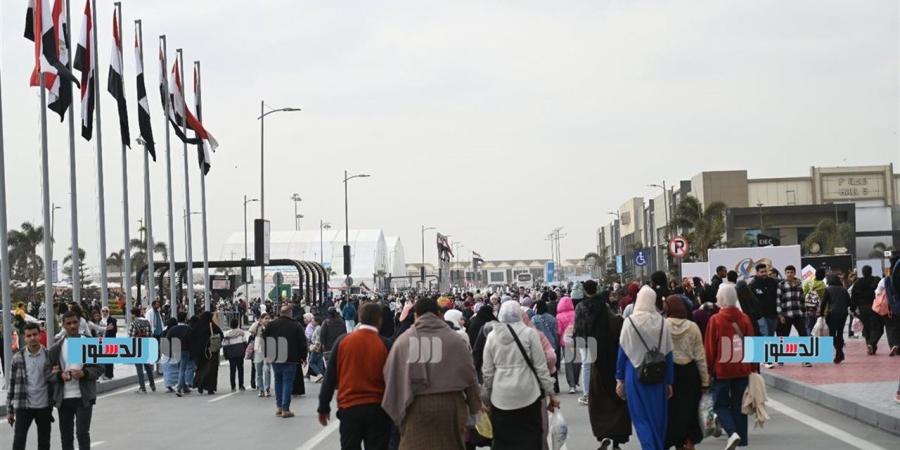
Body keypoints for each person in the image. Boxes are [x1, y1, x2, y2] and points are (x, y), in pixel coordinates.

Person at [382, 297, 482, 450]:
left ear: (416, 316)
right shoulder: (455, 340)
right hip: (451, 406)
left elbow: (392, 376)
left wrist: (395, 409)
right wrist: (475, 406)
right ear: (439, 315)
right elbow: (470, 375)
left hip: (415, 407)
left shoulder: (404, 341)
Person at [482, 301, 559, 450]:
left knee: (504, 439)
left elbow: (487, 372)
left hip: (501, 397)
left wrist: (487, 396)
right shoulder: (530, 334)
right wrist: (551, 392)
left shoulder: (492, 336)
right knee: (530, 437)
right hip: (528, 393)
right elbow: (540, 367)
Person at [318, 303, 392, 449]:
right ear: (379, 320)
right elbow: (394, 380)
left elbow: (330, 377)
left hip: (349, 408)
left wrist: (323, 407)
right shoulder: (386, 344)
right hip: (377, 408)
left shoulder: (342, 341)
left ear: (359, 317)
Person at [615, 286, 674, 450]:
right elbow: (668, 353)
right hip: (659, 375)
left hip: (634, 374)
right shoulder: (662, 322)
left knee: (641, 418)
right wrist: (669, 381)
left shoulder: (630, 322)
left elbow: (623, 351)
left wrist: (619, 378)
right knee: (658, 417)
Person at [580, 282, 631, 450]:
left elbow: (585, 342)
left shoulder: (594, 326)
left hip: (599, 370)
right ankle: (617, 441)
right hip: (617, 368)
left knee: (600, 406)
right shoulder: (618, 322)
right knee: (619, 405)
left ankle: (604, 436)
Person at [704, 284, 755, 449]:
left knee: (720, 404)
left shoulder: (715, 320)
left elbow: (710, 348)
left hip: (722, 370)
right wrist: (752, 368)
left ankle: (732, 433)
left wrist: (709, 370)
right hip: (742, 368)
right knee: (739, 404)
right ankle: (742, 439)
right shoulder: (745, 318)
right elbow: (751, 345)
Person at [48, 311, 104, 450]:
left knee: (82, 433)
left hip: (83, 397)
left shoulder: (90, 343)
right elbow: (48, 374)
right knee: (66, 436)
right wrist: (60, 375)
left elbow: (100, 367)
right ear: (63, 325)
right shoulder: (56, 348)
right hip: (64, 398)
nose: (72, 326)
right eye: (68, 323)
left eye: (75, 322)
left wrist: (84, 373)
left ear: (80, 323)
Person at [663, 295, 709, 450]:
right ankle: (688, 442)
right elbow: (700, 356)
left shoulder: (663, 326)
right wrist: (705, 381)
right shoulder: (692, 327)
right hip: (690, 374)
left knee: (672, 412)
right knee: (689, 412)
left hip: (670, 374)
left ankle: (672, 440)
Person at [7, 322, 52, 450]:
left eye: (35, 334)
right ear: (24, 337)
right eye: (29, 335)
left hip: (44, 406)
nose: (32, 338)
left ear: (40, 335)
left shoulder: (49, 355)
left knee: (44, 442)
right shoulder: (18, 358)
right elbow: (12, 384)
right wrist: (10, 410)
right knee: (19, 441)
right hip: (23, 406)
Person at [263, 304, 308, 418]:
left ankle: (279, 407)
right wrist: (303, 357)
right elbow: (302, 343)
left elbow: (264, 339)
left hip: (275, 356)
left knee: (278, 381)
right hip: (290, 357)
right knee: (288, 382)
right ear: (290, 313)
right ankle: (285, 409)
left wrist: (268, 354)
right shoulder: (296, 325)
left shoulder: (271, 325)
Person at [189, 311, 223, 395]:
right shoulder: (212, 325)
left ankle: (200, 384)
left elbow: (191, 337)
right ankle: (210, 388)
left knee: (200, 368)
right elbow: (221, 335)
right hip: (210, 351)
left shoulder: (197, 326)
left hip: (200, 352)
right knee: (211, 369)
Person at [851, 265, 882, 355]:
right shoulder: (876, 280)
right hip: (875, 307)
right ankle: (872, 344)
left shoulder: (858, 283)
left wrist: (853, 309)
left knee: (867, 328)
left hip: (862, 308)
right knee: (878, 328)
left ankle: (870, 345)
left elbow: (854, 297)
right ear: (871, 271)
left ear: (862, 272)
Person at [820, 275, 851, 364]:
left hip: (832, 313)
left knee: (832, 333)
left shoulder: (828, 289)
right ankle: (839, 353)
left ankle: (839, 352)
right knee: (840, 333)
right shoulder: (843, 289)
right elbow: (849, 302)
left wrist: (821, 314)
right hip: (843, 313)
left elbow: (823, 303)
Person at [128, 306, 156, 393]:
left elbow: (131, 337)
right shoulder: (147, 322)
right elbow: (150, 334)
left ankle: (142, 387)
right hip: (146, 346)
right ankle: (152, 384)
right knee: (148, 367)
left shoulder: (133, 323)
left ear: (133, 314)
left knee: (139, 368)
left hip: (137, 347)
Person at [555, 295, 580, 394]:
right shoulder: (576, 314)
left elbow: (559, 331)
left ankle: (572, 385)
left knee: (568, 363)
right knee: (577, 361)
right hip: (577, 339)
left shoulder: (558, 316)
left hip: (566, 341)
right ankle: (576, 379)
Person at [165, 312, 193, 396]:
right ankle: (179, 389)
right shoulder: (188, 329)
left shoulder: (173, 329)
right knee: (182, 370)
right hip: (185, 351)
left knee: (180, 368)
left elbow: (167, 339)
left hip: (176, 351)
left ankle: (184, 387)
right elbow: (193, 341)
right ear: (185, 319)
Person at [749, 263, 779, 339]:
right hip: (761, 316)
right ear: (757, 273)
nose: (764, 273)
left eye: (765, 271)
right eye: (762, 272)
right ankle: (763, 350)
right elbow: (751, 301)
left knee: (771, 335)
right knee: (765, 336)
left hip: (773, 315)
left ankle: (769, 350)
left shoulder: (773, 282)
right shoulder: (753, 284)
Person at [249, 313, 272, 397]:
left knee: (267, 370)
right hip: (258, 351)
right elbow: (251, 331)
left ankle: (267, 388)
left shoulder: (271, 327)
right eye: (266, 318)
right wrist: (257, 323)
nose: (267, 320)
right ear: (261, 319)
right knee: (258, 372)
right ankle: (261, 389)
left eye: (268, 318)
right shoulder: (257, 327)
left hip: (268, 351)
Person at [222, 318, 248, 392]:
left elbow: (224, 345)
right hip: (240, 353)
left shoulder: (227, 334)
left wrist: (226, 354)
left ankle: (233, 386)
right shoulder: (241, 332)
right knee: (240, 369)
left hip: (231, 353)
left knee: (232, 370)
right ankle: (241, 385)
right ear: (237, 324)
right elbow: (245, 343)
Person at [98, 307, 116, 380]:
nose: (104, 312)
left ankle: (109, 374)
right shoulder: (100, 320)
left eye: (106, 311)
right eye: (103, 311)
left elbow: (114, 330)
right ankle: (103, 374)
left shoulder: (112, 320)